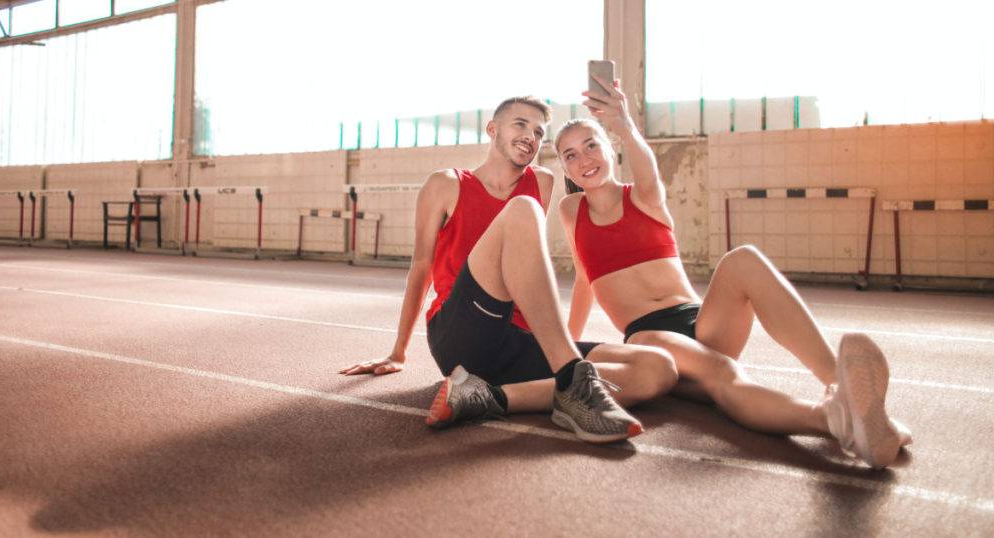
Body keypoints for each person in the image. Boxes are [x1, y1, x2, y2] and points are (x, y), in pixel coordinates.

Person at [554, 77, 910, 467]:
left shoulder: (643, 196)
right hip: (649, 334)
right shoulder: (571, 212)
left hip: (701, 320)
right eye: (570, 155)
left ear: (612, 149)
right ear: (565, 167)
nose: (584, 159)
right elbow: (586, 277)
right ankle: (836, 421)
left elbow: (648, 169)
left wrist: (623, 121)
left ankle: (840, 388)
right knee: (724, 371)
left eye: (592, 145)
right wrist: (567, 347)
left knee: (744, 258)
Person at [340, 96, 678, 443]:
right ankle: (571, 377)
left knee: (658, 368)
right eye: (520, 124)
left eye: (538, 131)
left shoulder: (542, 182)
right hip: (460, 333)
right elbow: (422, 267)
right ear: (492, 129)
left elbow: (524, 265)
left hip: (515, 342)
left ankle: (490, 398)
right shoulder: (446, 184)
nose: (530, 136)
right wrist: (399, 351)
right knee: (522, 211)